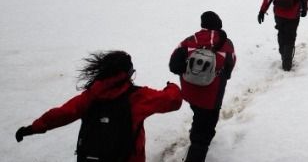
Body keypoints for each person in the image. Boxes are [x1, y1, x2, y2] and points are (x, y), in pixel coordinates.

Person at [15, 50, 182, 162]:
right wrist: (171, 86)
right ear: (127, 74)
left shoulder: (91, 96)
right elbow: (173, 101)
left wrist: (33, 128)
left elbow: (62, 113)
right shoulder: (138, 97)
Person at [169, 11, 236, 162]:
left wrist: (192, 72)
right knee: (204, 133)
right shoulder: (227, 44)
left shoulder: (189, 40)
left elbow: (173, 65)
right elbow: (230, 64)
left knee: (198, 114)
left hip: (190, 92)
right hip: (212, 96)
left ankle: (196, 133)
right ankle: (196, 149)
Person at [257, 0, 308, 71]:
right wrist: (305, 10)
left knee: (281, 33)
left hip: (279, 14)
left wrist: (262, 10)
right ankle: (287, 64)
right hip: (293, 16)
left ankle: (283, 54)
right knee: (290, 37)